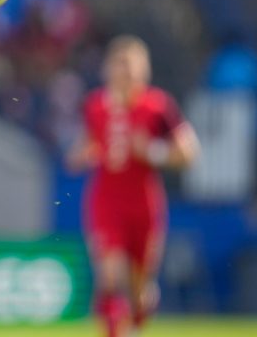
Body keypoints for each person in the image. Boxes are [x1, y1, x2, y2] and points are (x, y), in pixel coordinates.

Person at [66, 35, 199, 337]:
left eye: (130, 66)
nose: (124, 73)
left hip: (144, 202)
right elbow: (83, 147)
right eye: (118, 65)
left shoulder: (158, 106)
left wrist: (152, 151)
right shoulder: (96, 105)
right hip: (107, 199)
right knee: (112, 276)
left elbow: (189, 152)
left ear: (144, 71)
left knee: (140, 290)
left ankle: (136, 321)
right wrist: (80, 156)